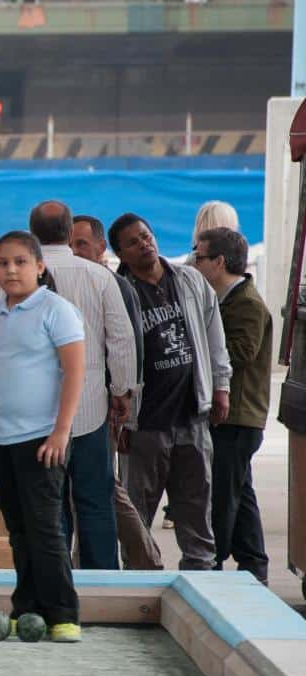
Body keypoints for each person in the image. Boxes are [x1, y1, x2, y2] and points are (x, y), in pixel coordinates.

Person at [0, 201, 136, 570]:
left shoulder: (6, 278)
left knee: (47, 506)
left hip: (33, 424)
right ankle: (101, 584)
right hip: (89, 412)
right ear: (68, 230)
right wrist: (122, 391)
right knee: (94, 500)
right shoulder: (98, 276)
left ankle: (53, 579)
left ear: (33, 233)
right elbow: (121, 340)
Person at [0, 232, 86, 643]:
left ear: (39, 266)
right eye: (2, 263)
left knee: (46, 527)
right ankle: (27, 607)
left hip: (41, 440)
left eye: (19, 262)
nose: (10, 270)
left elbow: (75, 372)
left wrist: (61, 432)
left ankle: (63, 613)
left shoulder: (58, 311)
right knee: (17, 529)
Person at [108, 213, 231, 571]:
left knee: (196, 508)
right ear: (121, 252)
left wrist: (220, 387)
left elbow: (214, 337)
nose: (144, 244)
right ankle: (141, 582)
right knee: (137, 515)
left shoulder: (189, 280)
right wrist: (121, 422)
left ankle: (201, 576)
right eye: (133, 242)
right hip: (144, 426)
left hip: (192, 418)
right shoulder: (119, 291)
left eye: (146, 236)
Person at [70, 213, 164, 570]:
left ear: (100, 248)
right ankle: (103, 563)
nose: (74, 251)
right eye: (69, 244)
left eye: (81, 243)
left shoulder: (113, 285)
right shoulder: (76, 282)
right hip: (78, 407)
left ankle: (143, 559)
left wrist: (122, 403)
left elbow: (129, 349)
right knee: (96, 491)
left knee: (103, 491)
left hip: (105, 407)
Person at [194, 227, 272, 583]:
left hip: (238, 417)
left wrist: (201, 346)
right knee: (241, 495)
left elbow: (241, 353)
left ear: (219, 262)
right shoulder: (226, 300)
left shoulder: (247, 304)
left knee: (223, 497)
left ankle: (212, 564)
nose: (195, 263)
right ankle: (253, 564)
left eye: (200, 257)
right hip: (235, 417)